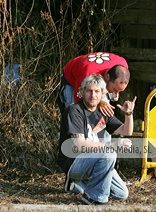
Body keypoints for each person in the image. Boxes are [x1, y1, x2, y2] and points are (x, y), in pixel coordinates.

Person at [57, 74, 137, 205]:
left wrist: (128, 114)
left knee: (121, 194)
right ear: (82, 92)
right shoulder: (74, 111)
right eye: (89, 91)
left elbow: (126, 131)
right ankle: (92, 198)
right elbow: (79, 144)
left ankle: (78, 183)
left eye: (97, 91)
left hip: (95, 160)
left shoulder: (102, 111)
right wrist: (111, 145)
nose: (93, 95)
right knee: (109, 154)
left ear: (102, 94)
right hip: (74, 162)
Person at [58, 52, 130, 116]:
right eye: (115, 89)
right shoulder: (87, 74)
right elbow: (78, 100)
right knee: (72, 113)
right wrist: (99, 102)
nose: (116, 95)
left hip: (96, 74)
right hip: (72, 80)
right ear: (107, 77)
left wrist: (115, 91)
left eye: (119, 91)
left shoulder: (123, 66)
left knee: (104, 109)